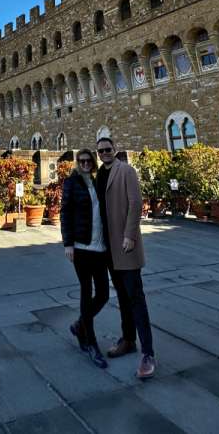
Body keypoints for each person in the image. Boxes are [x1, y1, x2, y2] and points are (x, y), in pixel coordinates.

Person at [96, 135, 156, 379]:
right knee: (121, 295)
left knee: (136, 298)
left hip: (125, 245)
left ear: (115, 149)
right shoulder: (99, 175)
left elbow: (136, 203)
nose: (104, 153)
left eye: (108, 149)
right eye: (100, 151)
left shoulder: (126, 171)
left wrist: (130, 236)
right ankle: (128, 340)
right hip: (108, 248)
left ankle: (148, 353)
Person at [60, 148, 110, 368]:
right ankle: (91, 343)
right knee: (86, 291)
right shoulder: (71, 183)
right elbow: (65, 213)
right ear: (77, 163)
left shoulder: (98, 183)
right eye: (82, 161)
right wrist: (68, 244)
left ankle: (80, 325)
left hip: (100, 248)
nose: (86, 164)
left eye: (89, 160)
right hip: (81, 247)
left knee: (104, 293)